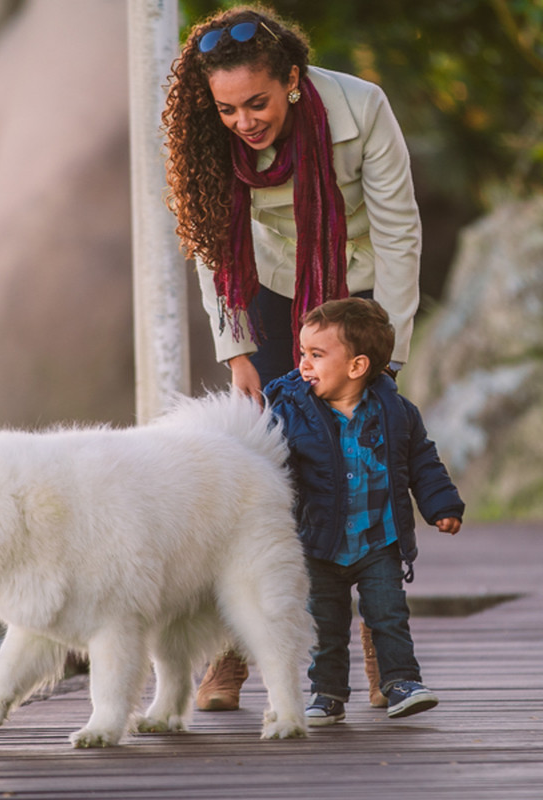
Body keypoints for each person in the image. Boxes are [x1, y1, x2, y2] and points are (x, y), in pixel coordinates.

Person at [162, 3, 423, 710]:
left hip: (357, 278)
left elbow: (400, 231)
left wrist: (386, 356)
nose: (244, 121)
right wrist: (239, 349)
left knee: (365, 452)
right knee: (265, 460)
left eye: (258, 103)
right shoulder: (209, 137)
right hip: (273, 285)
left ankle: (379, 641)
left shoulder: (361, 109)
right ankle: (234, 649)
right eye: (227, 109)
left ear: (294, 82)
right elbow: (213, 246)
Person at [265, 297, 462, 725]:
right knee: (325, 624)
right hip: (319, 541)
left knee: (388, 615)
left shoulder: (396, 413)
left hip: (379, 539)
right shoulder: (290, 413)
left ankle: (402, 682)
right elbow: (270, 466)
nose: (304, 364)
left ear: (356, 367)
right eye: (303, 353)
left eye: (317, 355)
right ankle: (327, 692)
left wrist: (442, 504)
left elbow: (422, 462)